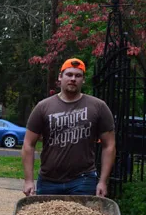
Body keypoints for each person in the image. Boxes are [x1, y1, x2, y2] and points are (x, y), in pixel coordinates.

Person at [21, 58, 116, 198]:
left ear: (83, 80)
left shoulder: (98, 107)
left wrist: (102, 181)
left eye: (78, 76)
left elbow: (109, 145)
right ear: (60, 77)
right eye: (69, 74)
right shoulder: (43, 107)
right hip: (48, 181)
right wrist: (28, 180)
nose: (73, 79)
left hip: (83, 180)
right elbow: (28, 144)